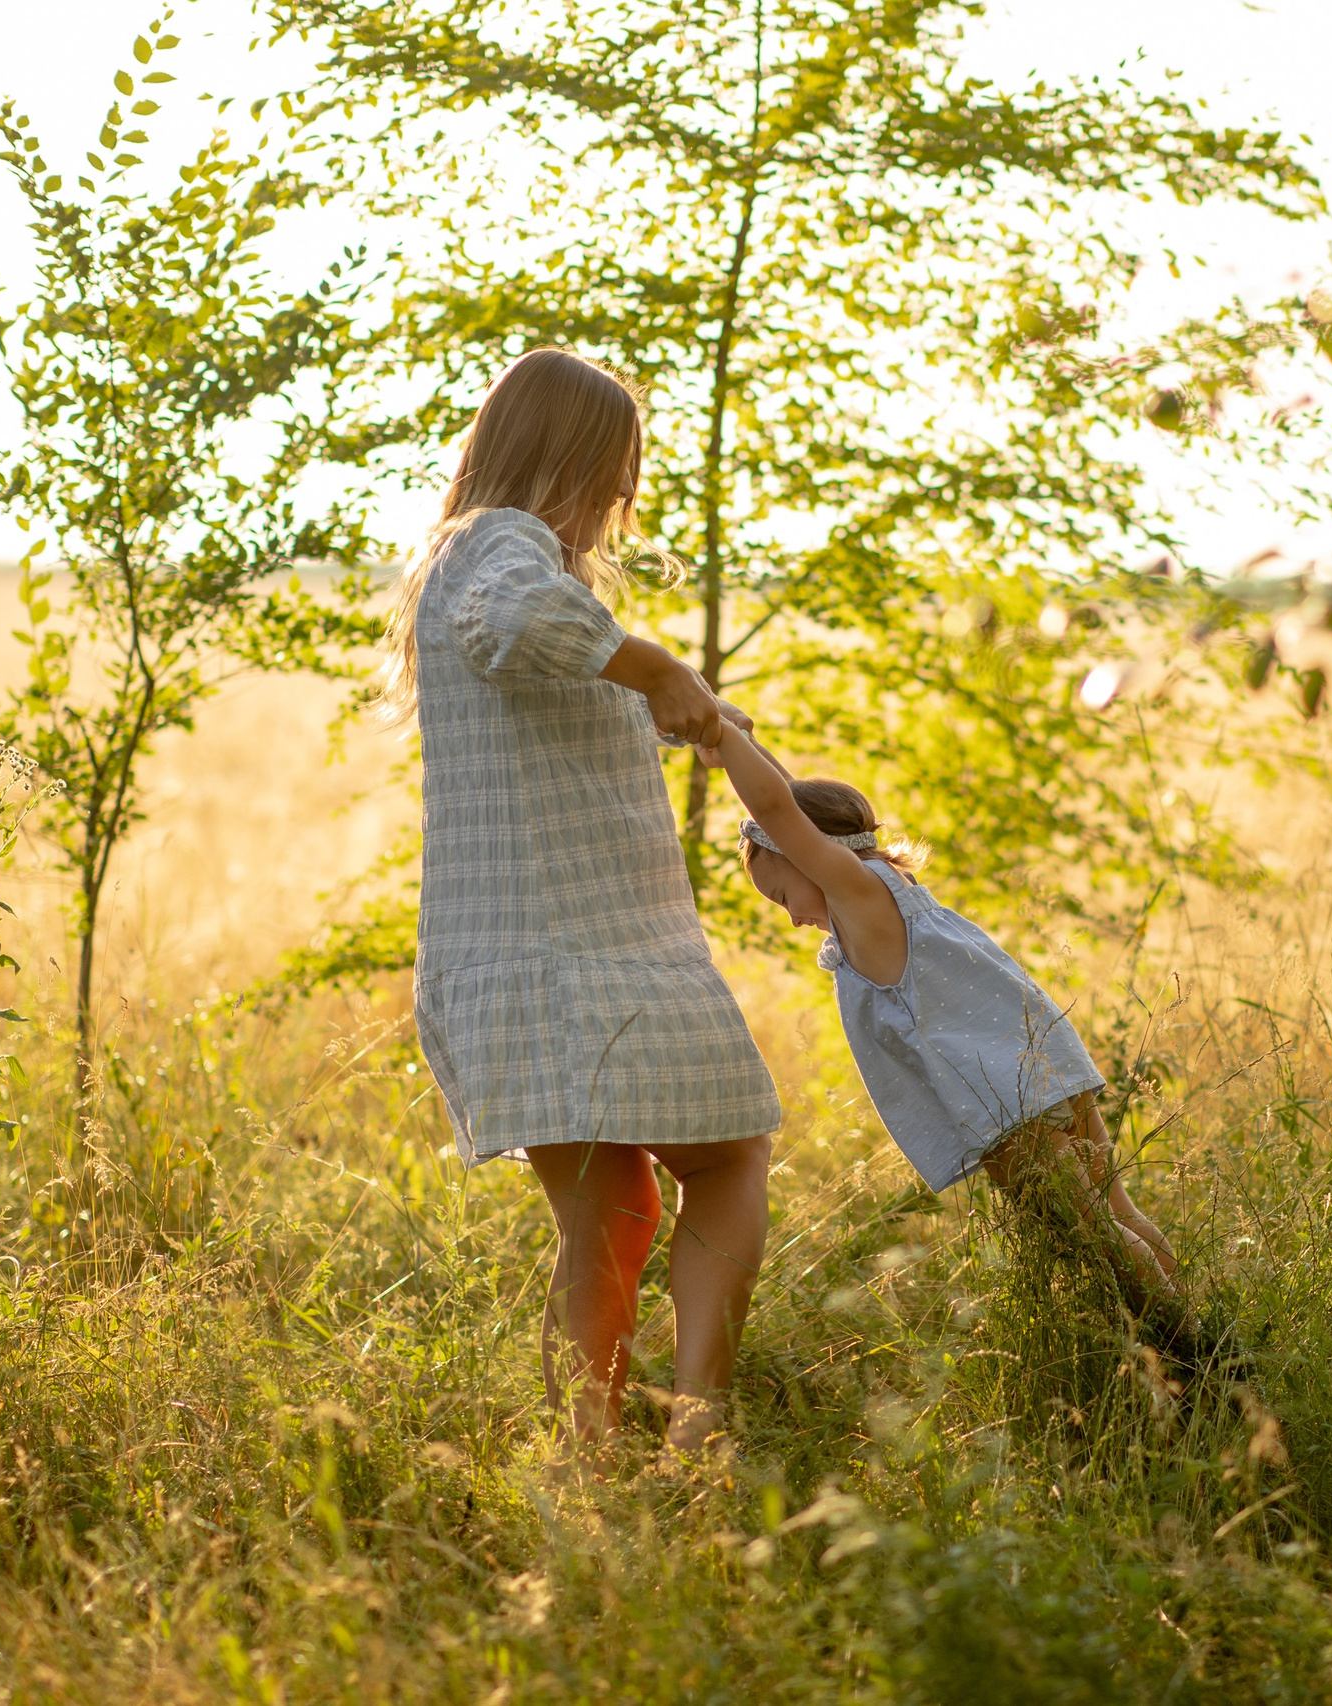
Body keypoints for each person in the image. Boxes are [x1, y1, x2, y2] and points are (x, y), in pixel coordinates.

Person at [380, 348, 780, 1451]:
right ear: (567, 460)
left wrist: (683, 708)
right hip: (565, 958)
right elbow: (520, 626)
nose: (618, 499)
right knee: (718, 1158)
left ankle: (605, 1444)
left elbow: (543, 664)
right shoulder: (498, 547)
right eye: (612, 471)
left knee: (623, 1205)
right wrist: (653, 670)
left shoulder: (500, 566)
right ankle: (682, 1423)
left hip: (573, 954)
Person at [695, 723, 1183, 1317]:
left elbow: (777, 805)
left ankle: (1193, 1352)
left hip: (1004, 1099)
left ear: (805, 854)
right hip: (1047, 1061)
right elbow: (790, 798)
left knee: (1093, 1236)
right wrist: (734, 743)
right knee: (1117, 1212)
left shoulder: (857, 898)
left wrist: (717, 725)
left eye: (780, 898)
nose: (792, 919)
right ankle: (1203, 1322)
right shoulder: (886, 882)